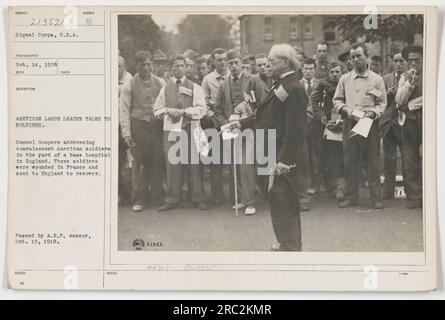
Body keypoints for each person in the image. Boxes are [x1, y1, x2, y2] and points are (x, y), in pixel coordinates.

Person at [228, 44, 308, 251]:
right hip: (273, 150)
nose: (267, 65)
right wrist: (242, 123)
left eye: (272, 61)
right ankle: (286, 242)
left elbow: (294, 129)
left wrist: (284, 160)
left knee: (284, 201)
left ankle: (290, 247)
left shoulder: (294, 88)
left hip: (281, 154)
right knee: (279, 200)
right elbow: (267, 114)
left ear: (285, 62)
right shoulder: (282, 84)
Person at [333, 43, 387, 209]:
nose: (355, 60)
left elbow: (381, 103)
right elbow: (337, 100)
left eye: (359, 56)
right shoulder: (344, 79)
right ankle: (351, 196)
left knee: (372, 161)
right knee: (350, 160)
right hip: (350, 122)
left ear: (367, 57)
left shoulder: (376, 80)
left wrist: (373, 113)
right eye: (353, 57)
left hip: (368, 123)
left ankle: (376, 197)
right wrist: (345, 110)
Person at [154, 54, 208, 211]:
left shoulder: (195, 87)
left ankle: (197, 197)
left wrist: (184, 111)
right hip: (171, 130)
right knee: (172, 165)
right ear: (171, 68)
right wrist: (168, 110)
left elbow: (201, 109)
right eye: (175, 66)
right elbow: (156, 110)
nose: (178, 68)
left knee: (193, 164)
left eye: (181, 65)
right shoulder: (165, 88)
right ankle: (172, 199)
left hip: (190, 128)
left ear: (186, 67)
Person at [119, 51, 166, 212]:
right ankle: (139, 198)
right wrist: (126, 133)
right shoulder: (129, 85)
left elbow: (166, 105)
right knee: (138, 164)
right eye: (142, 64)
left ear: (152, 64)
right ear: (136, 66)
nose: (146, 67)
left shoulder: (160, 83)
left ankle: (158, 196)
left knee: (156, 162)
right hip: (138, 127)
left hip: (156, 127)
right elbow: (124, 111)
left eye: (148, 64)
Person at [214, 49, 257, 216]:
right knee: (236, 166)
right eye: (230, 63)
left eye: (235, 62)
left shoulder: (253, 80)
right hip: (231, 130)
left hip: (249, 129)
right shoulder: (224, 85)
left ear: (241, 62)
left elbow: (261, 106)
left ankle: (251, 202)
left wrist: (243, 122)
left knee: (246, 165)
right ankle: (243, 199)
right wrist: (225, 124)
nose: (233, 66)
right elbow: (217, 110)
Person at [311, 61, 345, 202]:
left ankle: (342, 187)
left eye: (337, 71)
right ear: (328, 73)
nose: (335, 75)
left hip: (345, 122)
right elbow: (313, 102)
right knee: (329, 155)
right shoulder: (322, 84)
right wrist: (322, 116)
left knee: (344, 155)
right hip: (328, 125)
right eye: (332, 72)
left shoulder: (347, 82)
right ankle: (331, 186)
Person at [395, 45, 423, 209]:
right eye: (410, 60)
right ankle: (415, 196)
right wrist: (409, 84)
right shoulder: (405, 78)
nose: (413, 63)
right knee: (410, 158)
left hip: (426, 118)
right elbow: (399, 100)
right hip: (409, 122)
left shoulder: (431, 74)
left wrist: (412, 104)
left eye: (417, 60)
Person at [201, 48, 229, 206]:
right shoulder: (207, 80)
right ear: (213, 62)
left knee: (233, 158)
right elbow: (204, 102)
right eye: (219, 60)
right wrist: (212, 116)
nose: (223, 62)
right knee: (216, 160)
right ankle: (217, 195)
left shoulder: (233, 76)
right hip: (214, 123)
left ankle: (235, 193)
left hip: (231, 121)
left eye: (224, 59)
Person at [379, 52, 407, 200]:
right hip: (389, 123)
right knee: (388, 159)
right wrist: (387, 94)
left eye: (401, 61)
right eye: (395, 61)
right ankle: (388, 192)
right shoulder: (386, 79)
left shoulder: (410, 78)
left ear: (406, 62)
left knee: (407, 157)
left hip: (404, 123)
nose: (398, 64)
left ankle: (411, 191)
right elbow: (379, 100)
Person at [300, 58, 320, 211]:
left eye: (310, 69)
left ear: (315, 69)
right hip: (301, 127)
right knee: (304, 156)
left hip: (316, 126)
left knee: (317, 155)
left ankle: (317, 183)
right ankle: (308, 184)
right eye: (305, 68)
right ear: (302, 69)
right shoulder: (298, 85)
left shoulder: (319, 84)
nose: (308, 71)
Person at [118, 56, 133, 206]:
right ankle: (120, 192)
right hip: (111, 125)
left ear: (124, 67)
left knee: (129, 160)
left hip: (125, 124)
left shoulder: (130, 82)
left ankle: (130, 193)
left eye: (119, 66)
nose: (116, 69)